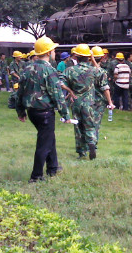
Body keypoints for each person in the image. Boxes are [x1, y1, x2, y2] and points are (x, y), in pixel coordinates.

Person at [14, 36, 70, 182]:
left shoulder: (27, 69)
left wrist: (20, 111)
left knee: (49, 138)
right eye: (53, 50)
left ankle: (53, 168)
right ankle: (36, 176)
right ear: (49, 52)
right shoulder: (49, 70)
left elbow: (19, 93)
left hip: (32, 112)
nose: (54, 53)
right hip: (45, 112)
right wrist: (65, 114)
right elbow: (57, 95)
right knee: (44, 144)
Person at [63, 44, 111, 160]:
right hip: (89, 103)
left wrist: (70, 91)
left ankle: (81, 151)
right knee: (90, 125)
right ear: (88, 57)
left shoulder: (70, 70)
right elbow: (102, 77)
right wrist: (93, 60)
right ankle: (91, 144)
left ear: (76, 56)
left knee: (78, 126)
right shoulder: (94, 70)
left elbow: (60, 82)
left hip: (75, 102)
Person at [89, 46, 113, 142]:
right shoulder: (101, 72)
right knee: (96, 123)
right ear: (102, 57)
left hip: (86, 100)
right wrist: (110, 102)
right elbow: (105, 88)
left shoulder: (85, 70)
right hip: (98, 101)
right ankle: (93, 142)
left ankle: (85, 143)